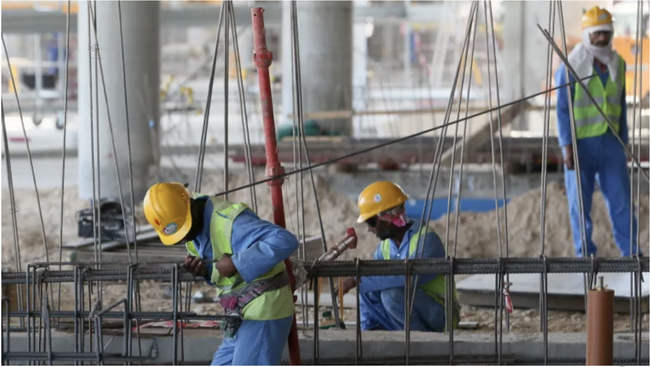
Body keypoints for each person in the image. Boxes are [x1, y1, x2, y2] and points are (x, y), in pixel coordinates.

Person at [143, 182, 298, 365]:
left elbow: (286, 240)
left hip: (264, 309)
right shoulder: (192, 231)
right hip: (240, 312)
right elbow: (225, 277)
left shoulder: (230, 222)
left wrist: (238, 262)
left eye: (184, 230)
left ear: (190, 206)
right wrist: (206, 272)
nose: (183, 238)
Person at [555, 6, 641, 257]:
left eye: (606, 32)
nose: (602, 38)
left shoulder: (619, 64)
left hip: (612, 144)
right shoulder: (570, 66)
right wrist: (567, 145)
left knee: (622, 202)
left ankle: (631, 253)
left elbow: (621, 105)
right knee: (580, 205)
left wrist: (624, 142)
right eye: (597, 33)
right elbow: (562, 109)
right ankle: (585, 254)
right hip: (580, 146)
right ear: (587, 35)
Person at [338, 181, 460, 332]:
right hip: (407, 316)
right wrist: (366, 335)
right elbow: (371, 283)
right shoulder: (385, 247)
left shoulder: (426, 239)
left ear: (389, 216)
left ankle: (419, 345)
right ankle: (376, 333)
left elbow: (407, 278)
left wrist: (356, 279)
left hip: (441, 314)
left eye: (371, 221)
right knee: (367, 288)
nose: (369, 229)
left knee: (391, 294)